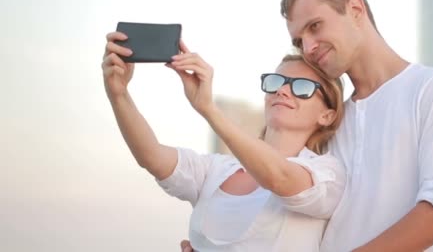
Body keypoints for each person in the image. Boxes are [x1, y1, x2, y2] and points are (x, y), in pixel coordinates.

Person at [278, 0, 433, 252]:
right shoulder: (328, 121)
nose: (308, 47)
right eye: (299, 41)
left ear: (356, 9)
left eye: (315, 26)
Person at [102, 33, 346, 252]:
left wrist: (208, 109)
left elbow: (278, 177)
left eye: (302, 87)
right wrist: (118, 93)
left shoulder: (326, 174)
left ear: (327, 115)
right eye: (276, 81)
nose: (282, 91)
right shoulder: (217, 170)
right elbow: (151, 156)